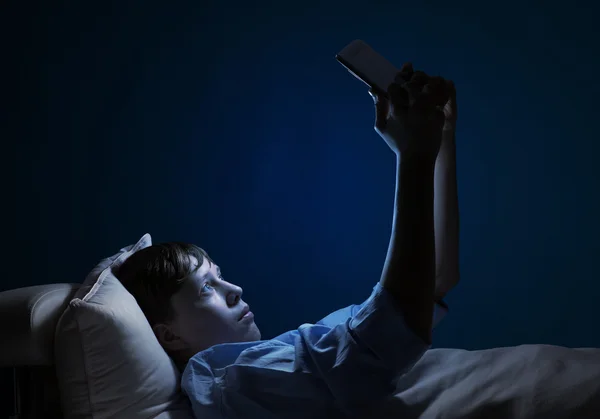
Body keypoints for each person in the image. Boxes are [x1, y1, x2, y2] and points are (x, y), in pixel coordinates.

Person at [117, 63, 460, 418]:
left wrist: (441, 141)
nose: (234, 289)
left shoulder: (269, 358)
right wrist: (414, 155)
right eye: (206, 288)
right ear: (168, 336)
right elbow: (389, 331)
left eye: (219, 276)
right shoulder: (230, 381)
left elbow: (431, 283)